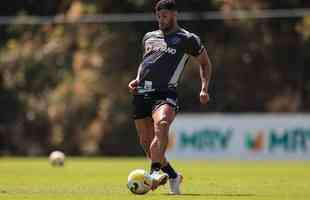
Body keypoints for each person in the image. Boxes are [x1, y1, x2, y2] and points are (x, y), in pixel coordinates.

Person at [128, 0, 212, 195]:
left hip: (166, 92)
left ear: (174, 15)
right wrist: (137, 79)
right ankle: (173, 176)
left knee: (163, 123)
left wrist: (204, 88)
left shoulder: (188, 39)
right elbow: (145, 62)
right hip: (142, 92)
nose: (161, 20)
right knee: (147, 144)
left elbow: (205, 63)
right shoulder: (149, 37)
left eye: (164, 16)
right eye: (158, 16)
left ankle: (154, 172)